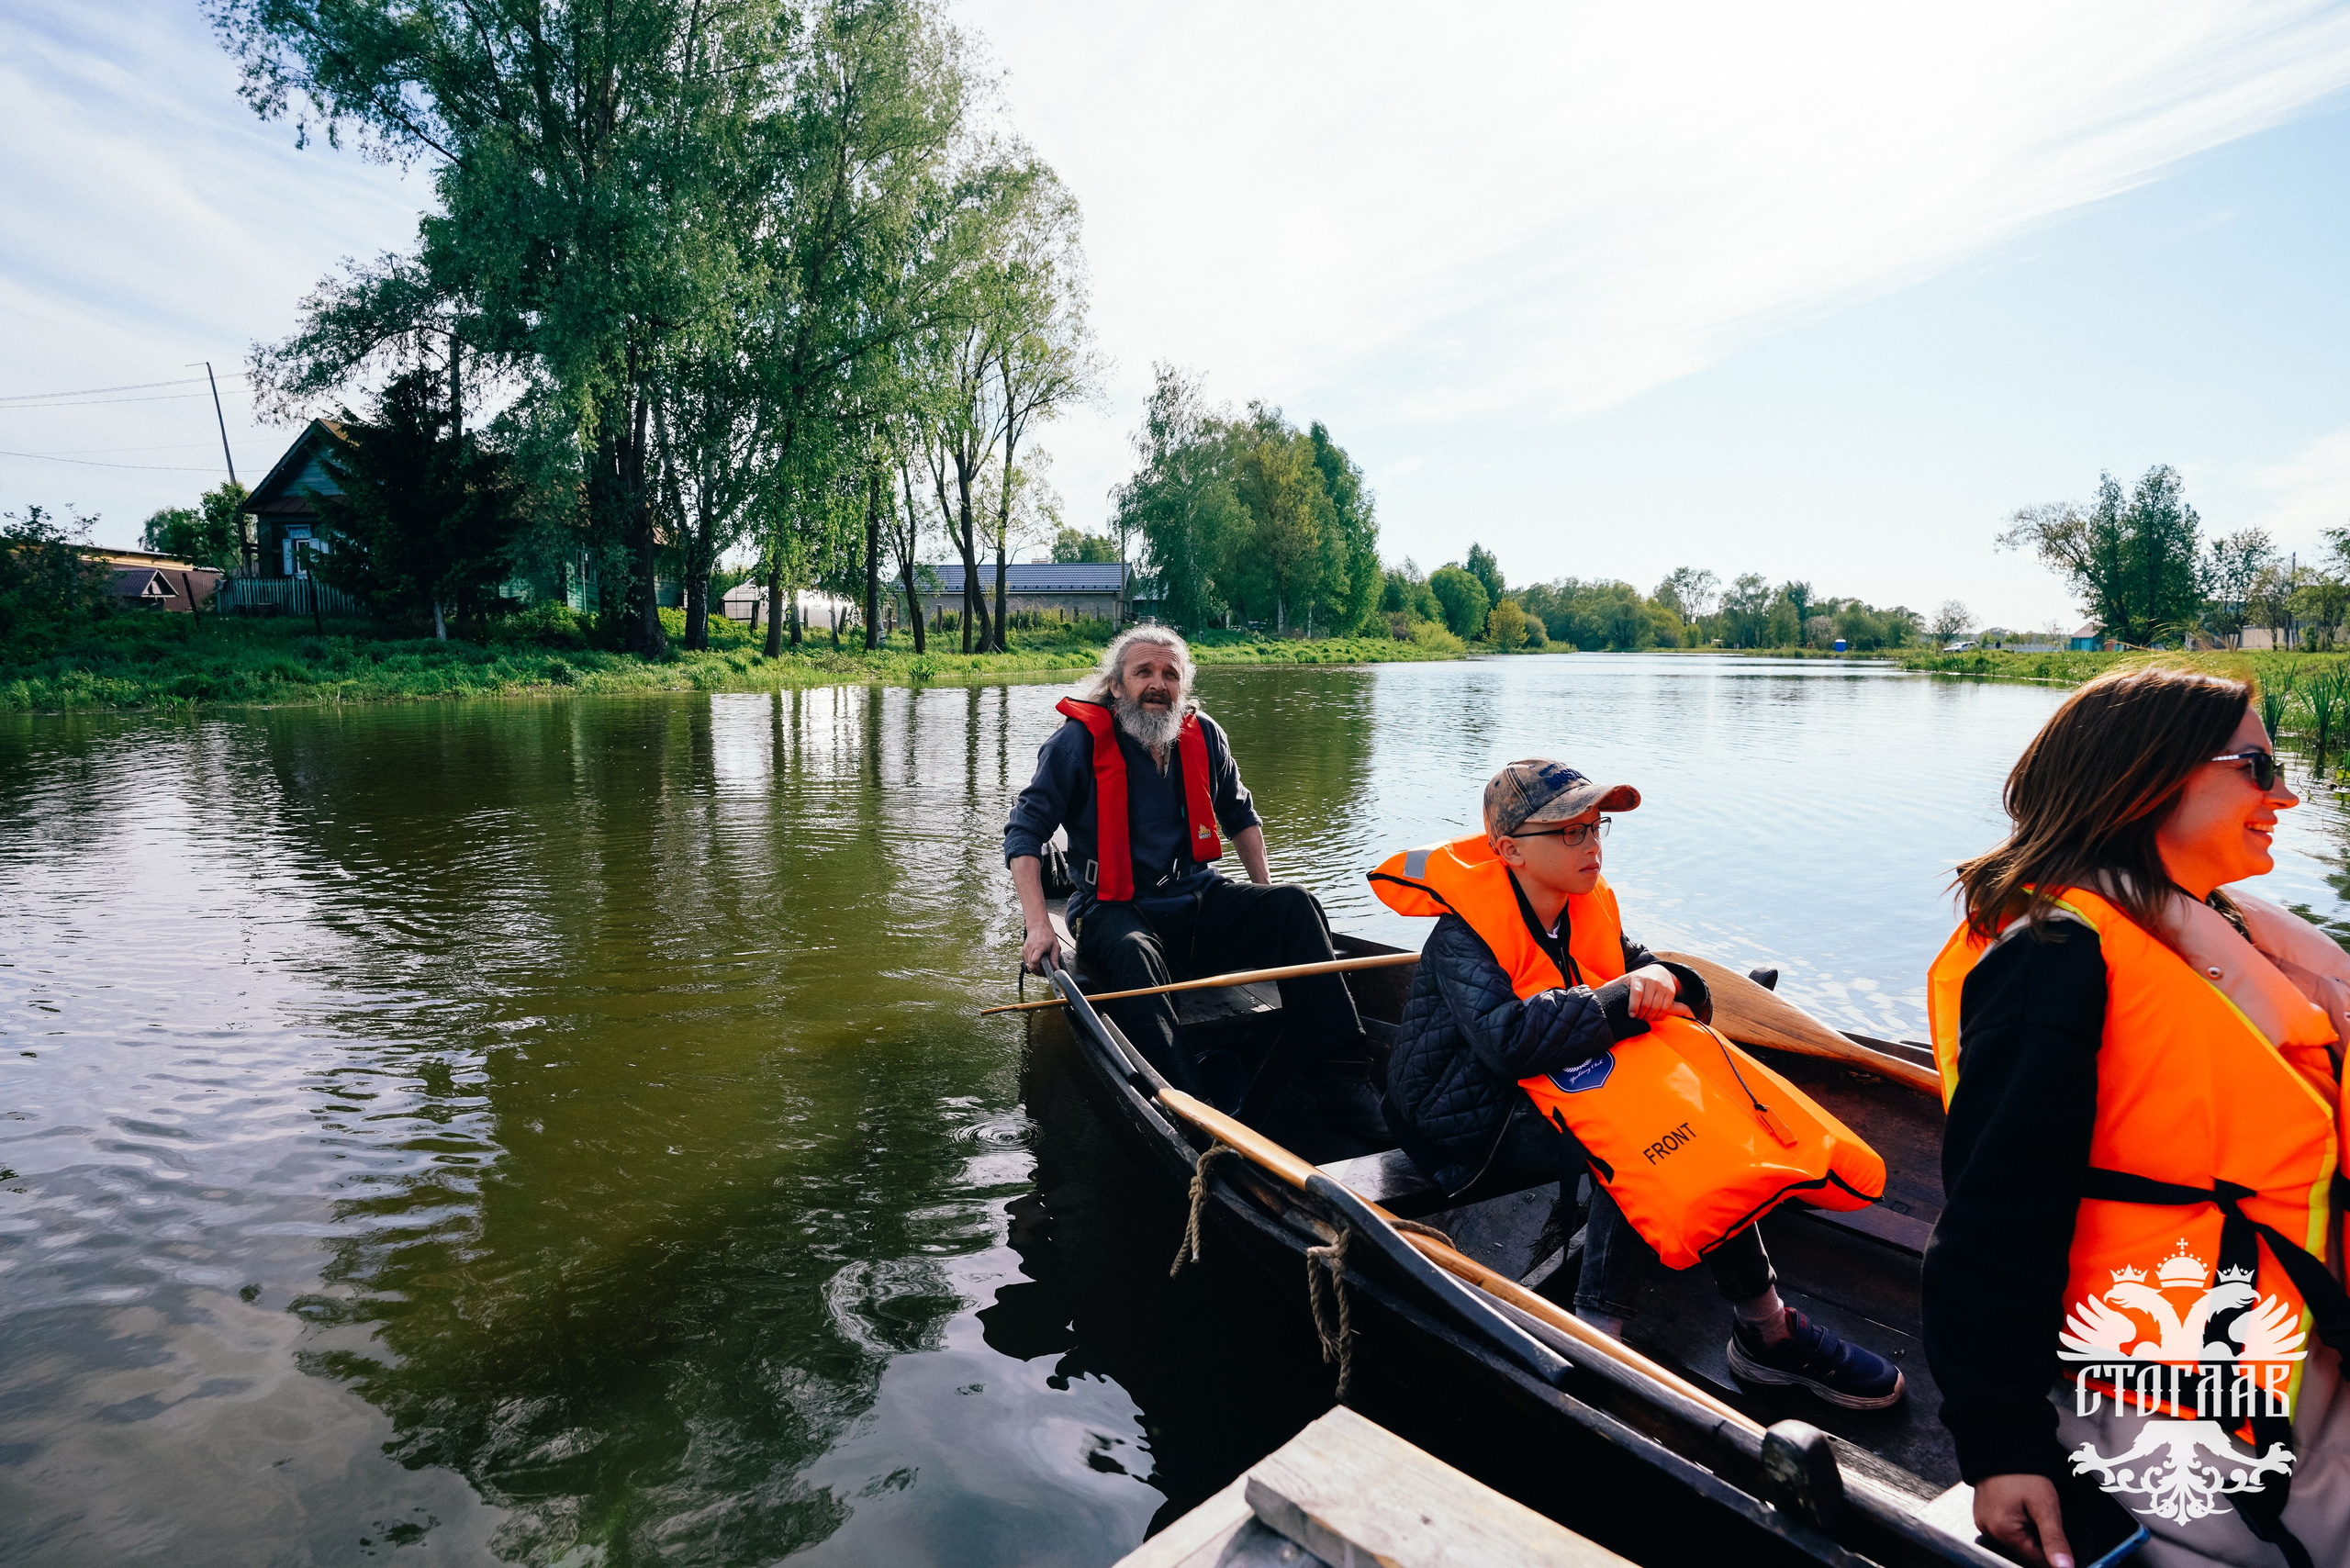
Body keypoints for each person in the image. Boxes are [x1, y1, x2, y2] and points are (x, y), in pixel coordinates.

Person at [1925, 666, 2350, 1568]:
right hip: (2175, 1395)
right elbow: (1993, 1219)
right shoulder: (2051, 958)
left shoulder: (2221, 932)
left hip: (2288, 1347)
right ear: (2149, 776)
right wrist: (2001, 1448)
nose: (2285, 791)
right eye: (2256, 766)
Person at [1370, 757, 1905, 1409]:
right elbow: (1506, 1042)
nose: (1592, 843)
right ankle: (1600, 1334)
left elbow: (1651, 975)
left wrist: (1683, 986)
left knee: (1690, 1114)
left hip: (1548, 1089)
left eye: (1596, 828)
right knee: (1632, 1133)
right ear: (1509, 850)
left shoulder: (1584, 908)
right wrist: (1620, 1001)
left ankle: (1764, 1331)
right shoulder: (1464, 935)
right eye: (1570, 832)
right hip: (1462, 1125)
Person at [1004, 626, 1382, 1130]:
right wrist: (1038, 926)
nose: (1157, 684)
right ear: (1116, 686)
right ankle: (1191, 1105)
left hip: (1197, 897)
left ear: (1184, 686)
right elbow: (1024, 836)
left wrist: (1262, 898)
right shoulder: (1075, 744)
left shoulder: (1203, 735)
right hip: (1117, 909)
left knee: (1295, 906)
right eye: (1143, 673)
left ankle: (1341, 1078)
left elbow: (1241, 816)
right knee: (1135, 954)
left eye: (1169, 674)